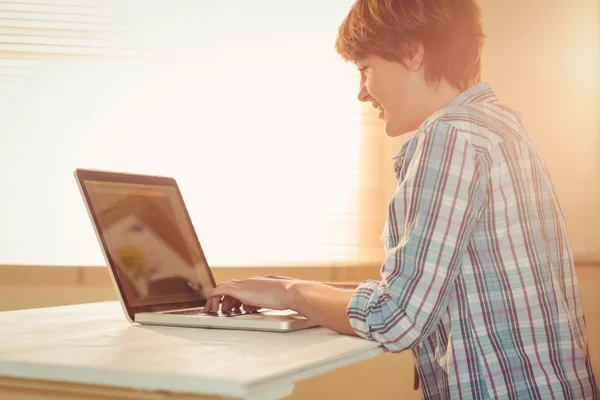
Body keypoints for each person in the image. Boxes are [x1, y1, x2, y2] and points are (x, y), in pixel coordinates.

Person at [204, 0, 599, 398]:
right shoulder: (500, 129)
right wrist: (296, 287)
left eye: (365, 69)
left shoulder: (449, 138)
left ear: (412, 51)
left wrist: (289, 295)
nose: (361, 92)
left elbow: (396, 317)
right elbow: (421, 289)